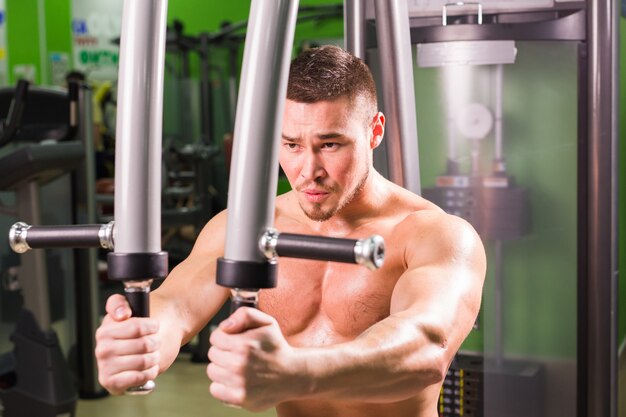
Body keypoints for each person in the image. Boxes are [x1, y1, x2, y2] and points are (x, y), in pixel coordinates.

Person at [95, 45, 486, 417]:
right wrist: (141, 343)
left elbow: (425, 346)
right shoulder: (248, 227)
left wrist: (296, 371)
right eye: (292, 145)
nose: (308, 170)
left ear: (374, 131)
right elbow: (177, 305)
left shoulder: (436, 235)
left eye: (330, 144)